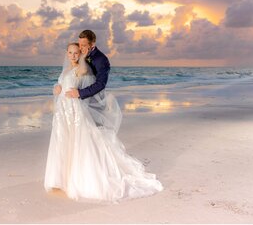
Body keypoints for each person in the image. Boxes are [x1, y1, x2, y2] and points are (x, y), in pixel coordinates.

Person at [44, 38, 164, 204]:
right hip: (63, 113)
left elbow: (90, 90)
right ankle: (62, 178)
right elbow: (60, 87)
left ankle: (78, 179)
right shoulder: (64, 72)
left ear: (80, 54)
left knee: (79, 143)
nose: (73, 55)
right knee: (64, 142)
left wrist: (78, 93)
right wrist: (56, 89)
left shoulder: (82, 69)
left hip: (75, 112)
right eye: (70, 52)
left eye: (76, 53)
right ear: (67, 54)